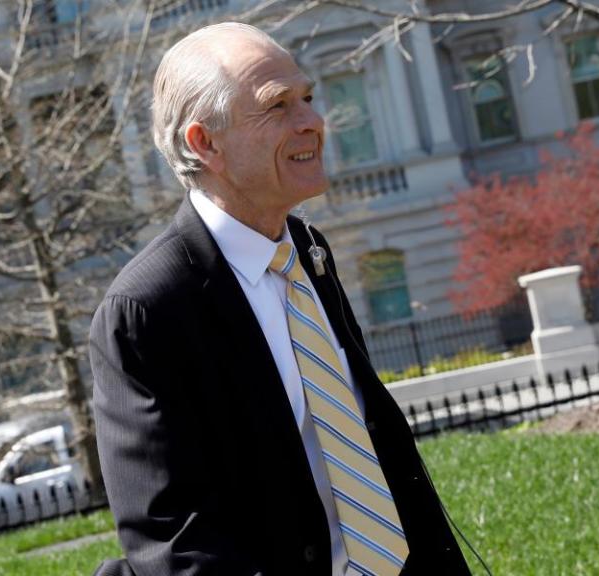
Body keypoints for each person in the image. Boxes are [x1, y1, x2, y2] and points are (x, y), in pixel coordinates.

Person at [89, 22, 472, 576]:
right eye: (277, 106)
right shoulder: (148, 309)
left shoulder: (310, 252)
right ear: (206, 143)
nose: (313, 122)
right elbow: (174, 540)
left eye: (309, 98)